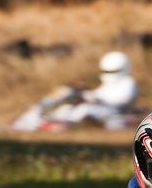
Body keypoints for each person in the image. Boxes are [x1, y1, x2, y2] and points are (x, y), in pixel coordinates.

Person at [11, 51, 139, 131]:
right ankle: (27, 121)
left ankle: (57, 124)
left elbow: (118, 102)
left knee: (83, 109)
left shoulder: (128, 83)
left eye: (112, 71)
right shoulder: (107, 86)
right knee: (64, 99)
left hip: (108, 111)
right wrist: (79, 92)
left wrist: (90, 98)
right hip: (96, 106)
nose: (108, 74)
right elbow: (97, 94)